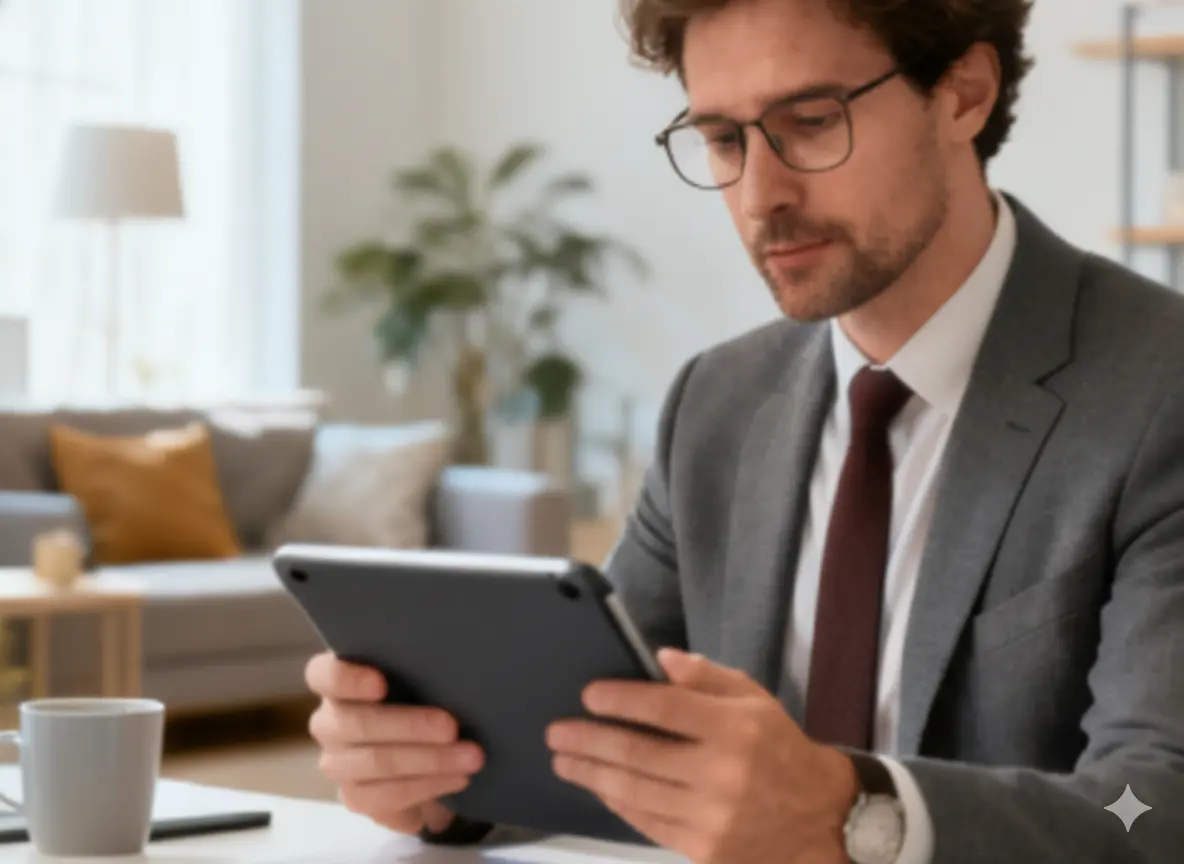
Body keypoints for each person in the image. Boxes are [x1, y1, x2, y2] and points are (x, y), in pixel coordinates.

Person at [303, 0, 1184, 861]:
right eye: (724, 141)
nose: (760, 196)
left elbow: (1156, 808)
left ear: (963, 94)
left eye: (809, 122)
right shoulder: (717, 403)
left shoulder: (1158, 391)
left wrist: (852, 814)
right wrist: (449, 780)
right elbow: (596, 724)